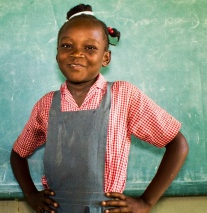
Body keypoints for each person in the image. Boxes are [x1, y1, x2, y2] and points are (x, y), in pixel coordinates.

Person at [10, 4, 189, 213]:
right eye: (67, 46)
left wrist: (146, 201)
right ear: (57, 53)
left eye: (90, 47)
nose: (77, 54)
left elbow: (178, 144)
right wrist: (31, 195)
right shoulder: (46, 104)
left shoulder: (123, 96)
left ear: (106, 58)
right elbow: (18, 153)